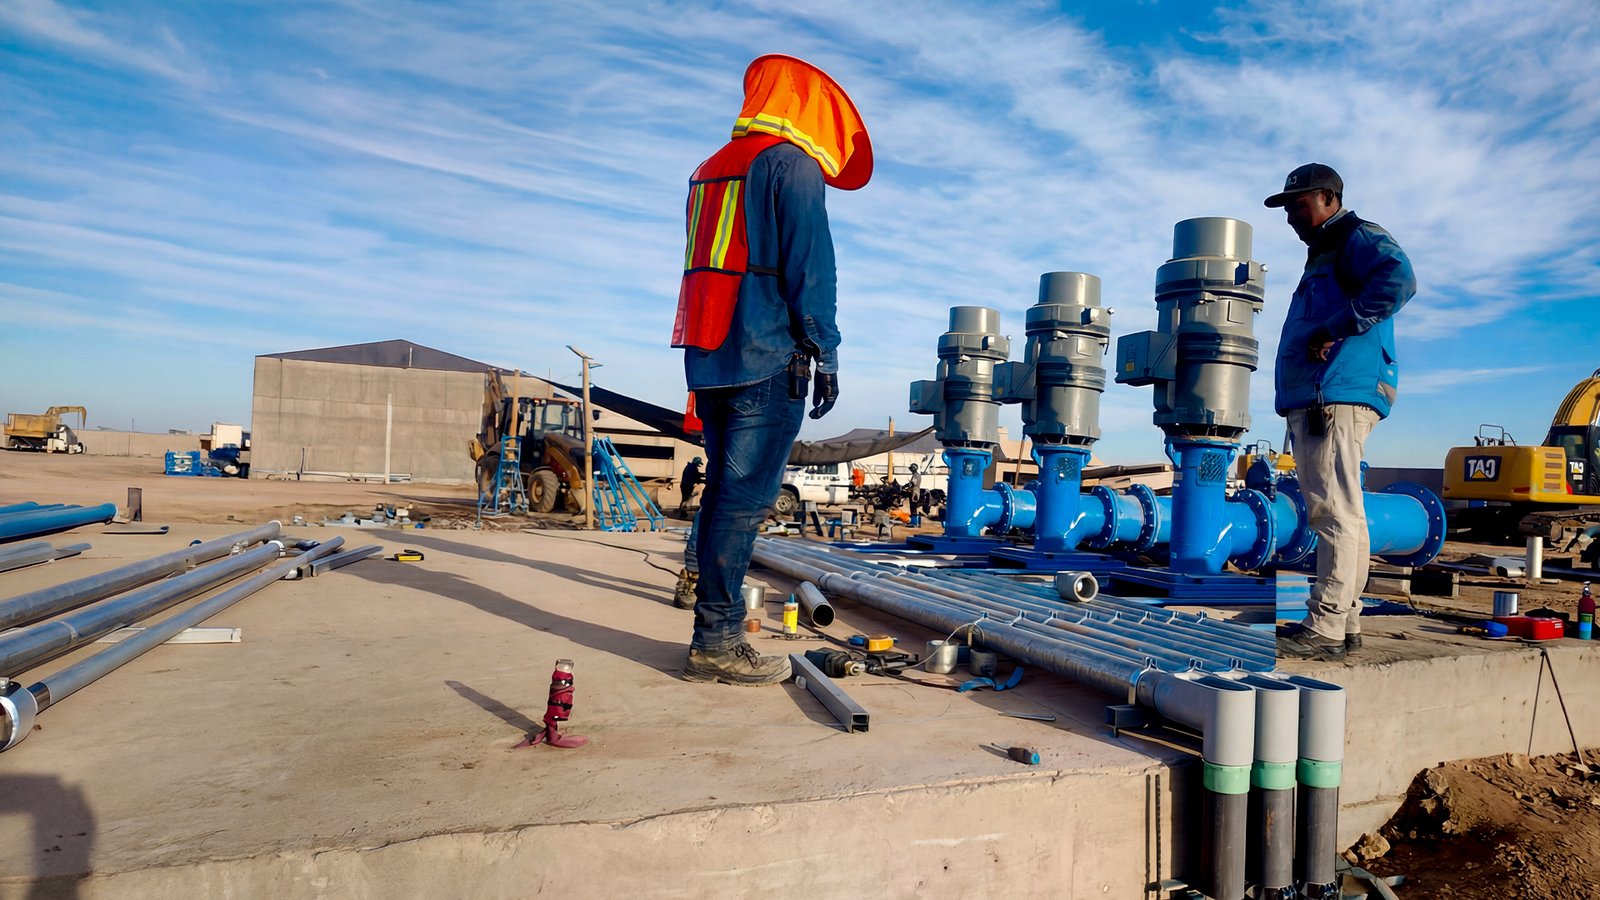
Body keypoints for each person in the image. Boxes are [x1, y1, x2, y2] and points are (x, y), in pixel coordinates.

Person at [670, 54, 872, 685]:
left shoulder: (709, 170)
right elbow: (812, 270)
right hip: (765, 356)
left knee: (724, 495)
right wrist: (826, 350)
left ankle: (711, 620)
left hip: (710, 353)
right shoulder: (792, 167)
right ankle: (717, 640)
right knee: (744, 501)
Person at [1266, 163, 1416, 660]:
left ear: (1329, 198)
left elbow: (1399, 278)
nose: (1291, 215)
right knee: (1346, 512)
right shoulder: (1327, 251)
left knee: (1333, 512)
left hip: (1334, 392)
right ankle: (1345, 620)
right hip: (1326, 392)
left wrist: (1337, 326)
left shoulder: (1355, 236)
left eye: (1299, 204)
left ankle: (1326, 624)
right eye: (1287, 207)